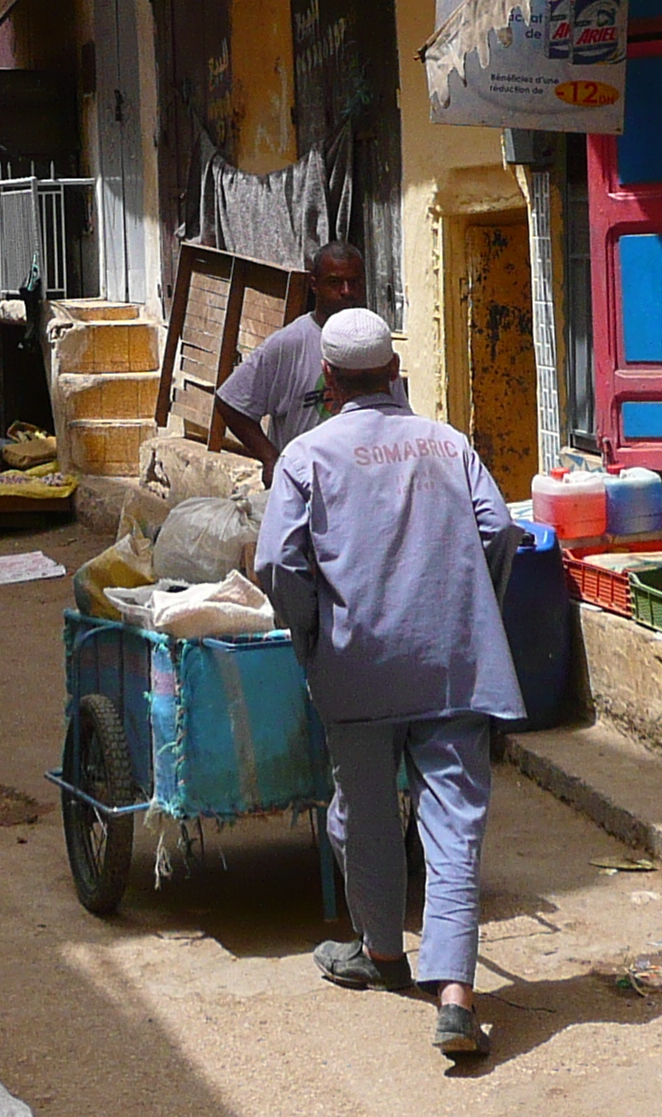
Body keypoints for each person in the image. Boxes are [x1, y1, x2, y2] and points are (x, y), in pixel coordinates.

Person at [254, 308, 521, 1061]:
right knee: (455, 826)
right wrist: (474, 611)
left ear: (328, 381)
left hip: (356, 667)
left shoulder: (306, 456)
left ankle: (380, 953)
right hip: (452, 664)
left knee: (363, 812)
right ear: (393, 375)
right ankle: (457, 998)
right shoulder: (448, 443)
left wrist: (311, 634)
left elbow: (279, 565)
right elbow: (499, 531)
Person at [215, 242, 372, 482]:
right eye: (335, 282)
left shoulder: (372, 340)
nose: (346, 291)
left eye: (355, 282)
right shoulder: (289, 344)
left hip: (362, 480)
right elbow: (231, 401)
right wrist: (270, 458)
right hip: (307, 485)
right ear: (314, 285)